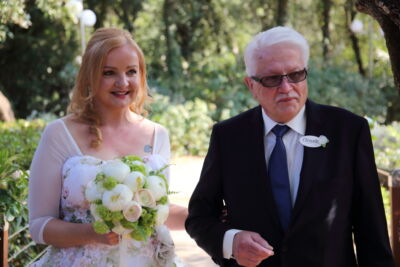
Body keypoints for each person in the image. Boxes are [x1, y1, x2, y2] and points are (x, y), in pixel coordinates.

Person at [185, 26, 394, 267]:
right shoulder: (228, 136)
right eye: (272, 79)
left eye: (295, 75)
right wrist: (230, 242)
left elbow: (372, 229)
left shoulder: (348, 131)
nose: (286, 88)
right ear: (250, 85)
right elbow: (199, 217)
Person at [28, 27, 187, 267]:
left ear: (141, 76)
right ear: (90, 77)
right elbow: (39, 226)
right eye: (109, 73)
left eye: (131, 72)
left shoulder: (158, 134)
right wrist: (91, 233)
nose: (123, 83)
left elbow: (158, 213)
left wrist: (207, 216)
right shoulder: (59, 134)